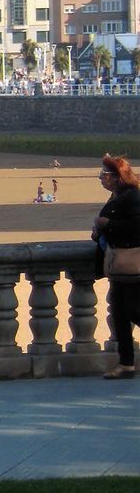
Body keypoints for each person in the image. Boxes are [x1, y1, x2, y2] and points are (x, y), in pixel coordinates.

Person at [93, 155, 140, 379]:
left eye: (104, 175)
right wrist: (100, 231)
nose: (101, 179)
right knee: (120, 314)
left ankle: (126, 363)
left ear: (116, 177)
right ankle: (126, 363)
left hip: (132, 264)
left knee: (132, 311)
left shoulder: (132, 197)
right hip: (120, 265)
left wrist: (108, 224)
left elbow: (137, 226)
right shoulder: (119, 196)